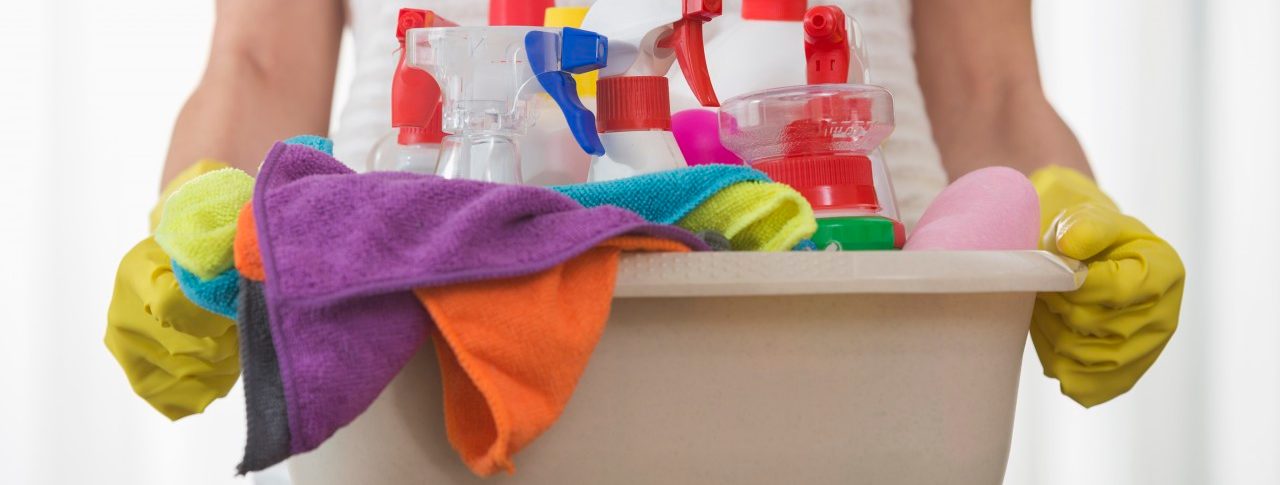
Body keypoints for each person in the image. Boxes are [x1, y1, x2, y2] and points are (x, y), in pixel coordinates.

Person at [151, 0, 1182, 407]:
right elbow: (253, 62)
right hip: (428, 338)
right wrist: (194, 236)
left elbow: (992, 90)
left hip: (855, 340)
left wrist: (1052, 226)